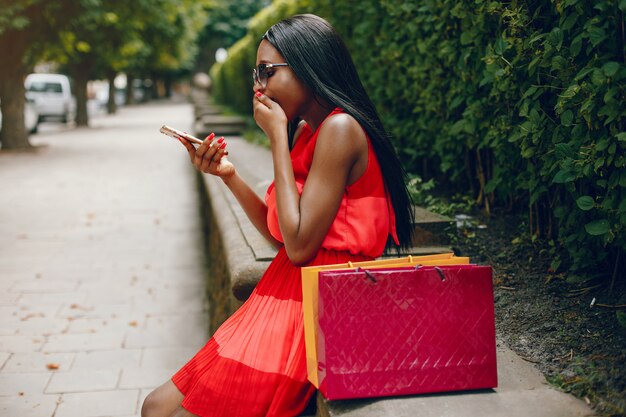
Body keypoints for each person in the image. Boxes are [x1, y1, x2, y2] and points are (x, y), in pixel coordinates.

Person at [141, 13, 414, 417]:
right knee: (156, 406)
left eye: (267, 71)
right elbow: (286, 235)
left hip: (319, 306)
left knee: (166, 411)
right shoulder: (310, 131)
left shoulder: (341, 130)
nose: (258, 84)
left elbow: (301, 246)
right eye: (256, 72)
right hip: (287, 291)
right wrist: (228, 176)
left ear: (309, 64)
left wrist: (275, 139)